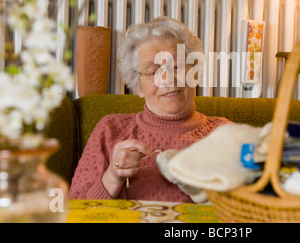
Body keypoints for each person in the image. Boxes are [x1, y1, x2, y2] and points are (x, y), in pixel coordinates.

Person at [69, 16, 231, 202]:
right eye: (153, 71)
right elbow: (75, 208)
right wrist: (113, 177)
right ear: (137, 85)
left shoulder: (224, 134)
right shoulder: (111, 129)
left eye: (176, 66)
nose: (168, 78)